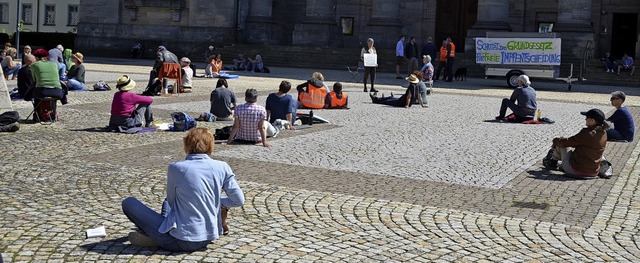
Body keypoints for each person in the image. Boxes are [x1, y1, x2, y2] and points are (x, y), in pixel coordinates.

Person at [122, 127, 245, 251]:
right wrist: (216, 202)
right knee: (167, 202)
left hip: (181, 240)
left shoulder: (176, 168)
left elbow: (172, 200)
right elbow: (238, 200)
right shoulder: (222, 166)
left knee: (128, 203)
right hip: (208, 237)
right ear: (211, 145)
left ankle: (155, 237)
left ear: (186, 144)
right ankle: (157, 234)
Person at [542, 109, 608, 179]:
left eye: (587, 118)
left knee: (561, 142)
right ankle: (553, 161)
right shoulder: (603, 133)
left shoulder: (587, 133)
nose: (585, 119)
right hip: (593, 171)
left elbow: (567, 142)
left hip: (577, 170)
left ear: (592, 120)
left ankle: (552, 162)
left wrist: (555, 141)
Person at [31, 48, 65, 121]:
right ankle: (53, 114)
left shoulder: (34, 65)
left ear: (36, 57)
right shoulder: (54, 65)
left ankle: (37, 115)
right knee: (53, 98)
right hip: (57, 92)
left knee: (36, 94)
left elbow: (34, 79)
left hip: (42, 91)